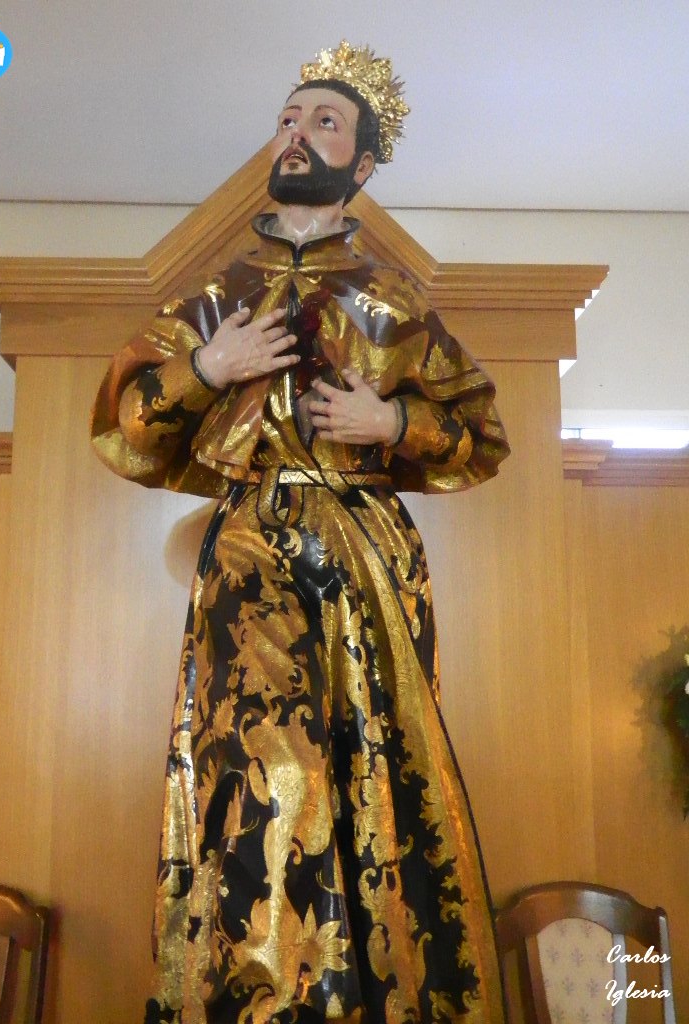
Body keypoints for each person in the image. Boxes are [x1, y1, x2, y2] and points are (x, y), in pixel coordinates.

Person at [92, 41, 510, 1024]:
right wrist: (208, 367)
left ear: (360, 163)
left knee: (379, 775)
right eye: (288, 117)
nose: (296, 132)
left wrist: (392, 422)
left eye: (324, 121)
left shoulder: (395, 304)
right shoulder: (212, 299)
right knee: (265, 777)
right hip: (250, 551)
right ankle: (267, 1002)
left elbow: (482, 437)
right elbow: (124, 428)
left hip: (368, 555)